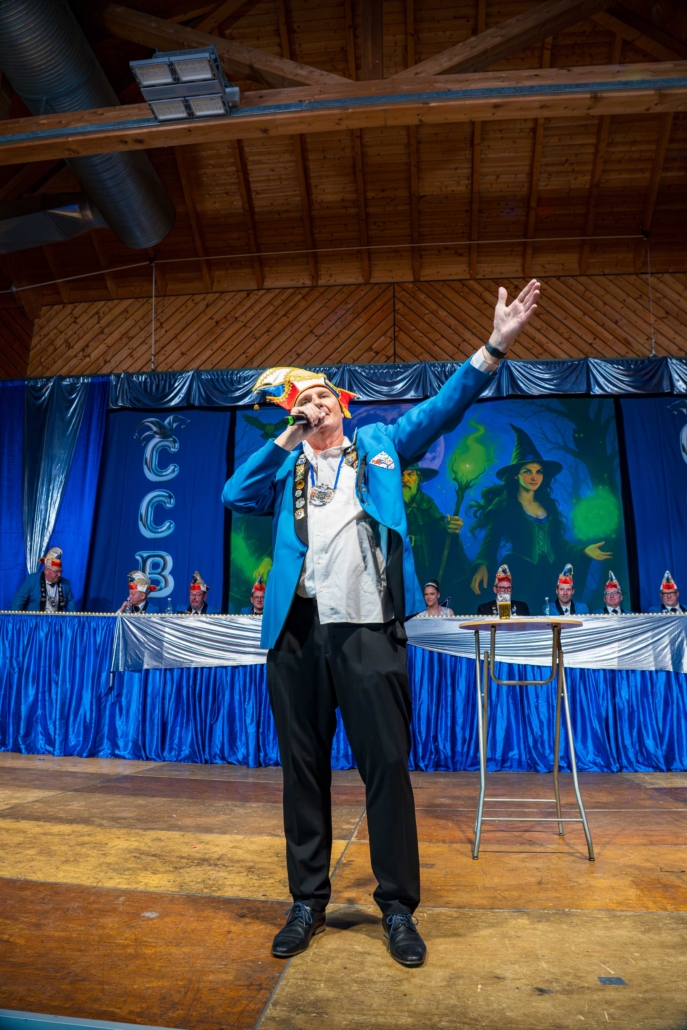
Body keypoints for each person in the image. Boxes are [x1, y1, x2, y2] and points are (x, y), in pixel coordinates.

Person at [222, 279, 541, 968]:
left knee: (387, 768)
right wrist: (286, 435)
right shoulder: (286, 466)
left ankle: (397, 907)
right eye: (303, 401)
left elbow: (446, 404)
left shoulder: (381, 444)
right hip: (297, 634)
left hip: (369, 631)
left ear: (343, 403)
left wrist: (494, 345)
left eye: (321, 397)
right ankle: (306, 901)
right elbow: (234, 494)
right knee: (302, 770)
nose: (313, 406)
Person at [469, 426, 611, 612]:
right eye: (528, 471)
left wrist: (583, 550)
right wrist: (482, 564)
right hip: (519, 572)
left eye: (539, 472)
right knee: (521, 615)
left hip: (550, 573)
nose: (534, 477)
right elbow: (491, 540)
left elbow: (557, 543)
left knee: (551, 615)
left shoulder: (547, 505)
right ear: (516, 474)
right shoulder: (504, 505)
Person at [402, 464, 466, 591]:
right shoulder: (390, 505)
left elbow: (439, 532)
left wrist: (449, 528)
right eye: (401, 475)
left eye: (410, 474)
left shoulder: (427, 504)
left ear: (418, 478)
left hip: (424, 571)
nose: (405, 480)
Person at [12, 547, 77, 612]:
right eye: (56, 572)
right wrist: (18, 618)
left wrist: (71, 617)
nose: (59, 575)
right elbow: (18, 602)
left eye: (60, 571)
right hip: (35, 618)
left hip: (56, 618)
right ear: (46, 571)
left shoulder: (66, 583)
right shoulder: (31, 580)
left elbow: (71, 603)